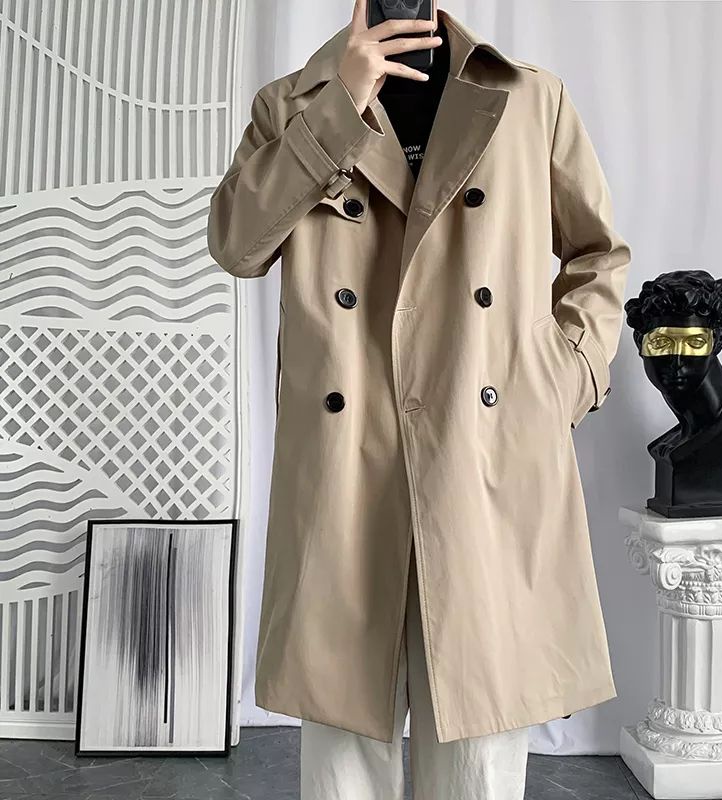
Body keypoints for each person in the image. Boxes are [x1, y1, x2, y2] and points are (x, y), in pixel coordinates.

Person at [207, 1, 632, 797]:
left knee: (477, 743)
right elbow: (237, 244)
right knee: (343, 741)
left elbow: (598, 254)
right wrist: (340, 104)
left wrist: (564, 376)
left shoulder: (530, 97)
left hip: (482, 445)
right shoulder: (292, 104)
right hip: (347, 455)